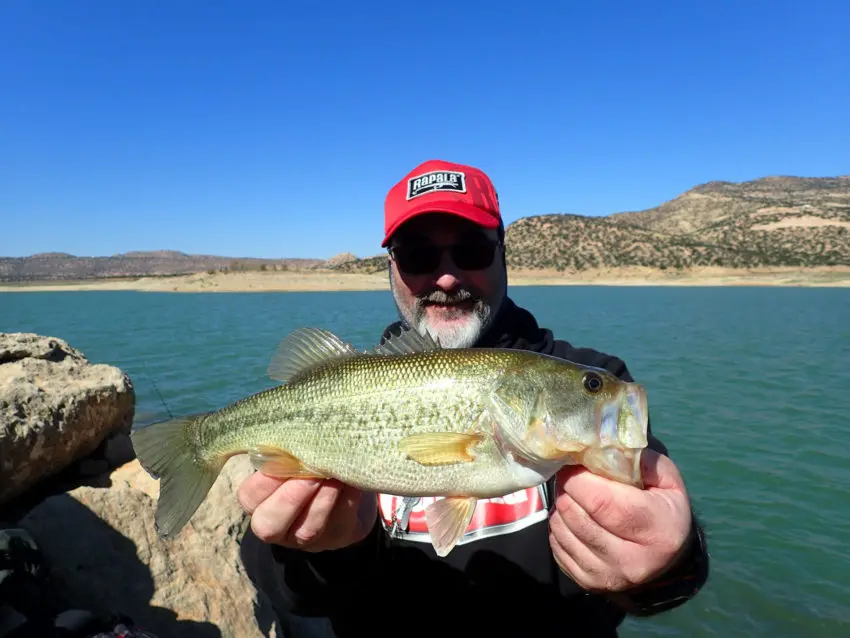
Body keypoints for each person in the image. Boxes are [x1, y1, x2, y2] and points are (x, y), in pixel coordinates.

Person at [238, 159, 710, 637]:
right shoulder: (353, 385)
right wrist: (325, 552)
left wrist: (669, 562)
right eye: (418, 255)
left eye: (471, 250)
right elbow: (282, 588)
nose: (446, 278)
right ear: (392, 268)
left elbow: (664, 579)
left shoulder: (597, 381)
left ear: (501, 253)